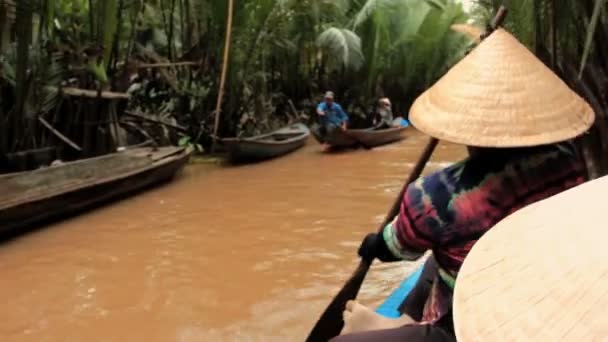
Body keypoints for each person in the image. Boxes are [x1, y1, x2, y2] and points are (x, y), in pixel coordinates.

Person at [331, 28, 595, 342]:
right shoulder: (568, 156)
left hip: (475, 319)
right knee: (435, 263)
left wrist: (377, 244)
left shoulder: (434, 196)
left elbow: (398, 248)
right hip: (551, 287)